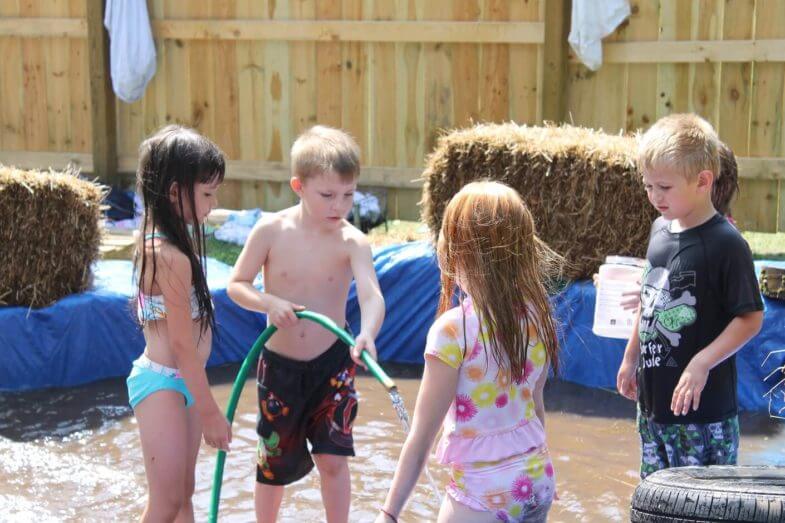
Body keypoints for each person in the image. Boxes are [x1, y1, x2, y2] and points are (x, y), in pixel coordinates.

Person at [376, 181, 561, 523]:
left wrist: (388, 514)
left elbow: (421, 440)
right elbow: (536, 407)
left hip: (483, 493)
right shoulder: (538, 316)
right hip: (536, 478)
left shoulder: (454, 331)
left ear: (456, 253)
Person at [227, 125, 385, 523]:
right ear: (298, 186)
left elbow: (370, 294)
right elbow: (236, 285)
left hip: (332, 364)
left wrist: (367, 333)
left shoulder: (352, 241)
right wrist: (269, 302)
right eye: (327, 195)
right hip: (280, 368)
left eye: (349, 195)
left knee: (334, 458)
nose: (339, 205)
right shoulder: (271, 231)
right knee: (272, 464)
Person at [616, 114, 764, 479]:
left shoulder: (727, 244)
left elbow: (751, 318)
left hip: (703, 416)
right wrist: (630, 356)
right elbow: (651, 299)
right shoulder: (659, 230)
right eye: (648, 186)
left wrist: (701, 363)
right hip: (654, 410)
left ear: (702, 181)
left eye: (664, 187)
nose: (654, 196)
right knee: (655, 501)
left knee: (702, 506)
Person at [126, 125, 232, 521]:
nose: (213, 203)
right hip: (163, 382)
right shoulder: (169, 256)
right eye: (207, 193)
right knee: (167, 501)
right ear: (174, 192)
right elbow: (183, 346)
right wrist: (210, 413)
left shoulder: (163, 242)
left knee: (185, 495)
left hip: (183, 382)